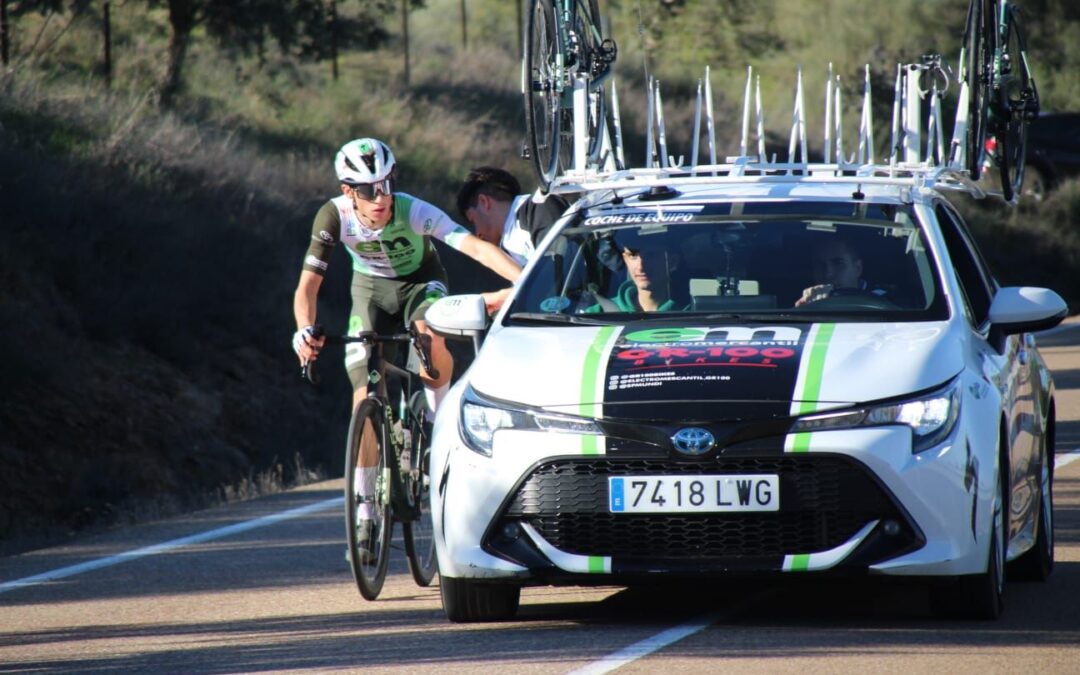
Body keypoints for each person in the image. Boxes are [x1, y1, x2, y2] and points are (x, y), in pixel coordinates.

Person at [292, 138, 521, 547]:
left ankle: (436, 423)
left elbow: (472, 247)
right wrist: (303, 330)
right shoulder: (333, 216)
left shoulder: (412, 209)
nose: (381, 197)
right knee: (363, 391)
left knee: (429, 334)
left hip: (422, 284)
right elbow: (308, 286)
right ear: (348, 191)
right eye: (368, 189)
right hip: (371, 290)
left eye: (387, 183)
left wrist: (522, 281)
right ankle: (364, 511)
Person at [456, 166, 569, 309]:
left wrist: (500, 296)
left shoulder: (540, 206)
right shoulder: (507, 245)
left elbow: (558, 274)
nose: (477, 233)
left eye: (473, 221)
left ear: (484, 202)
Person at [586, 233, 688, 312]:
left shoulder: (692, 313)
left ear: (672, 261)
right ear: (625, 260)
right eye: (633, 256)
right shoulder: (596, 314)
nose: (641, 267)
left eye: (651, 256)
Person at [794, 235, 880, 306]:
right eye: (820, 265)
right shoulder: (796, 300)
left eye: (838, 263)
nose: (828, 274)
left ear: (858, 268)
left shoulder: (885, 301)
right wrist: (805, 309)